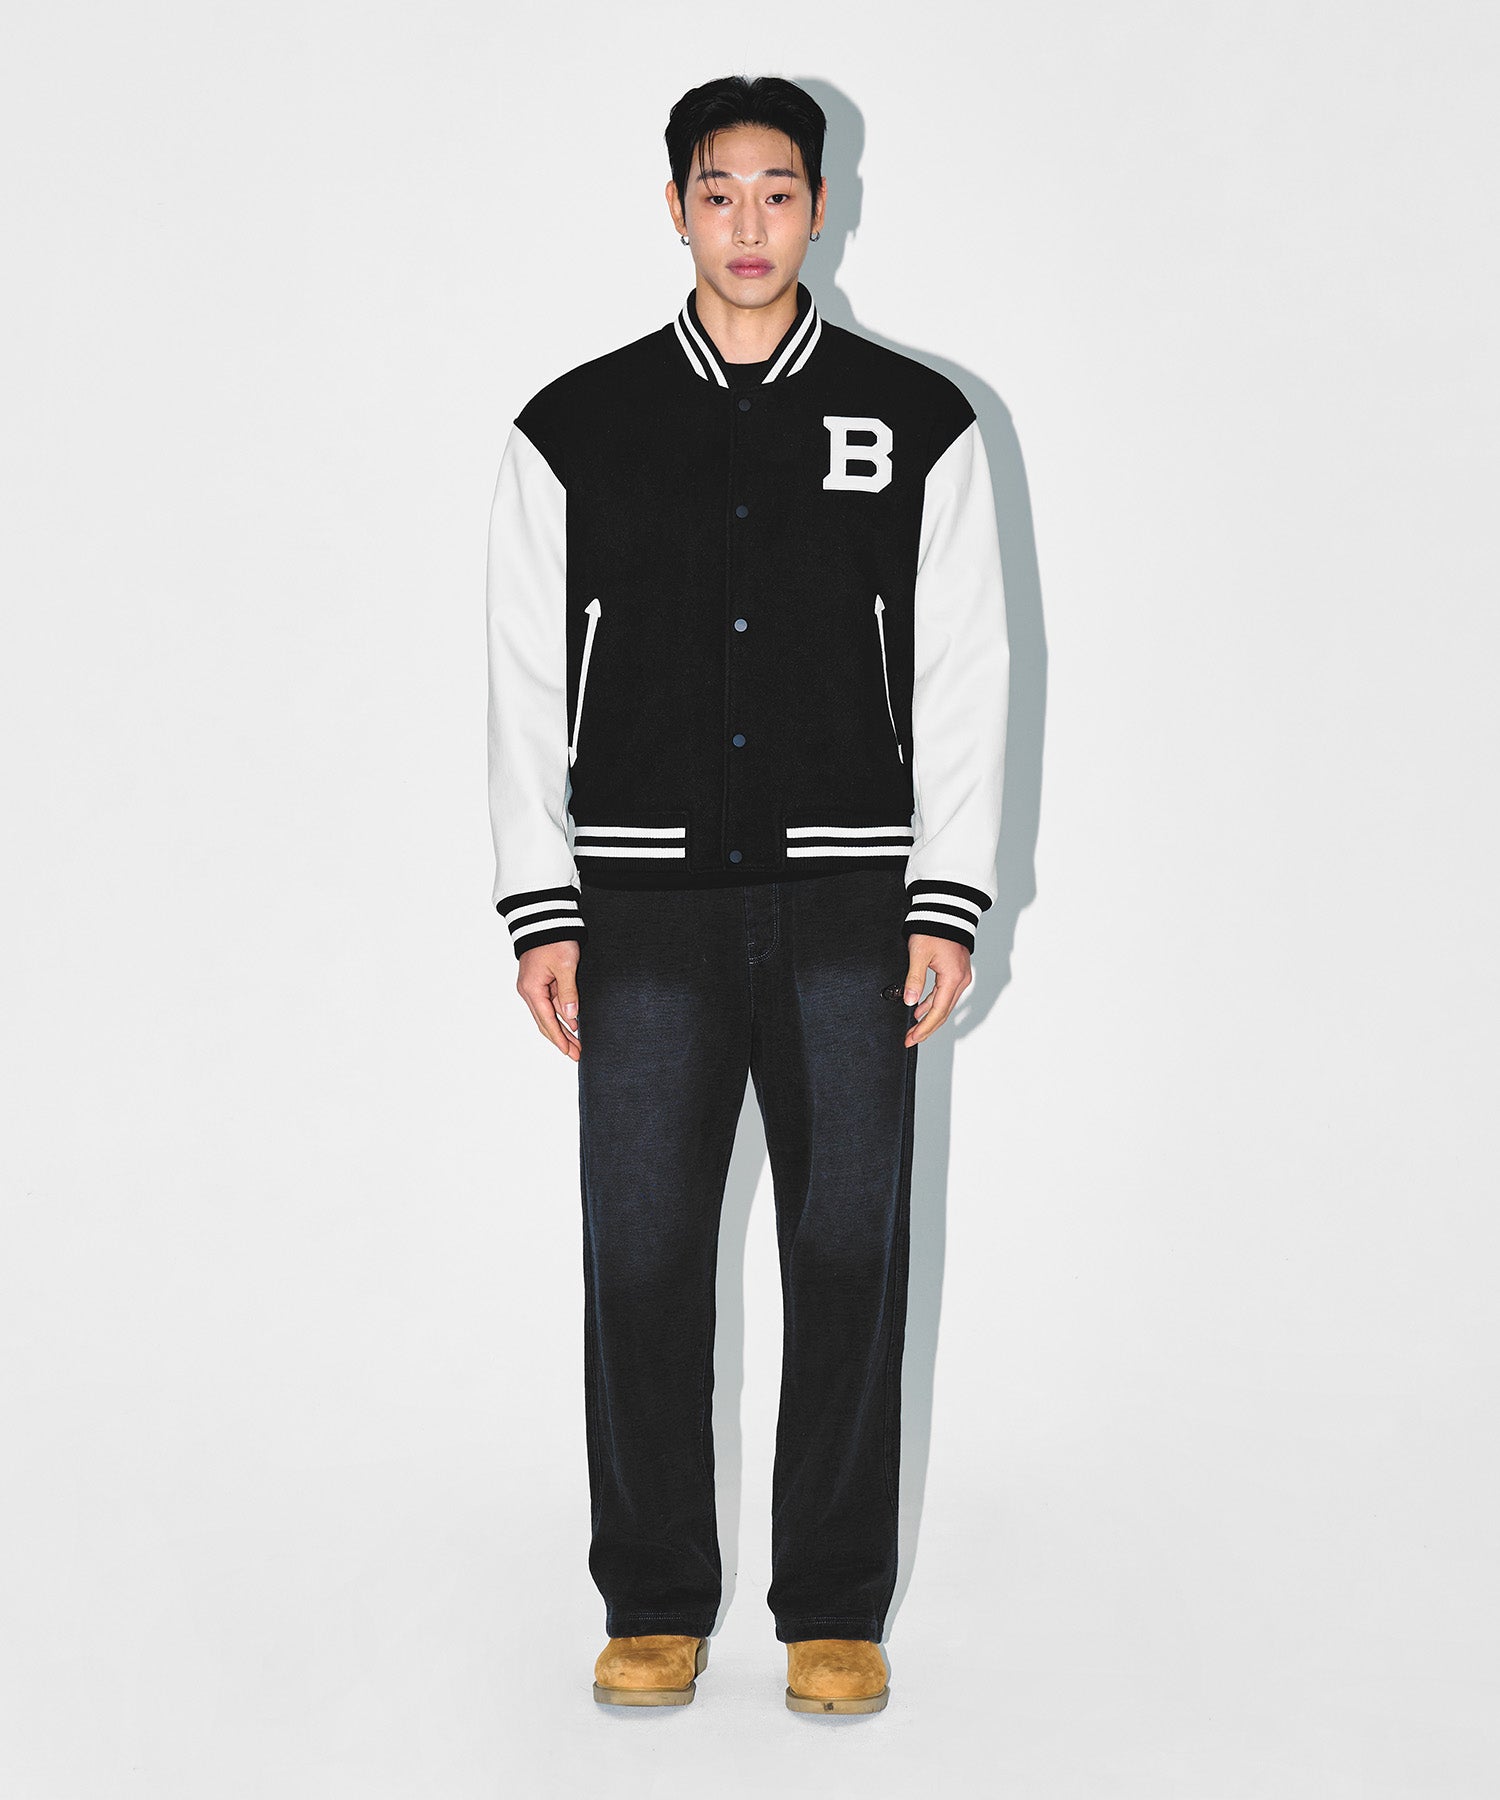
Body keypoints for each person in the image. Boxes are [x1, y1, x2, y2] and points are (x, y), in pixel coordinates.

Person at [485, 73, 1009, 1714]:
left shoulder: (916, 422)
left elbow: (967, 668)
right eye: (718, 194)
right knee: (642, 1258)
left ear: (822, 205)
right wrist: (540, 902)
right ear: (675, 208)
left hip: (852, 909)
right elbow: (518, 677)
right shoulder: (576, 425)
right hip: (643, 912)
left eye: (780, 192)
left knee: (848, 1254)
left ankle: (832, 1609)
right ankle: (653, 1599)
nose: (751, 225)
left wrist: (948, 895)